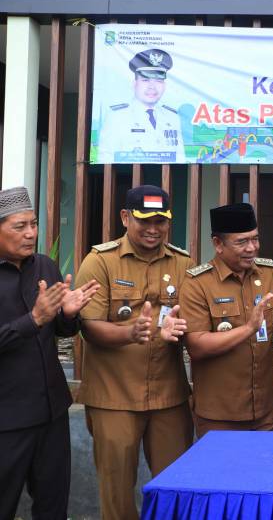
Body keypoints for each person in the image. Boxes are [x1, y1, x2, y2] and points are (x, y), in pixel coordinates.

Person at [74, 185, 194, 520]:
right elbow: (89, 326)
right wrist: (132, 332)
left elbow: (196, 321)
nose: (154, 229)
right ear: (125, 218)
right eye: (145, 220)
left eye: (161, 221)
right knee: (117, 494)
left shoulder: (184, 263)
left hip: (168, 397)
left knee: (176, 490)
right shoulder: (100, 261)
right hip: (114, 397)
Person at [0, 186, 98, 519]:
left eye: (33, 224)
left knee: (53, 505)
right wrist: (33, 320)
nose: (30, 233)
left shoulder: (44, 266)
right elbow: (35, 323)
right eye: (19, 226)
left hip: (51, 413)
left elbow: (61, 331)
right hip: (7, 420)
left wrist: (68, 315)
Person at [171, 203, 273, 437]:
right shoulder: (198, 284)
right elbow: (197, 346)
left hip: (266, 410)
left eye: (255, 239)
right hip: (220, 414)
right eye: (241, 242)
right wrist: (249, 328)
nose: (252, 248)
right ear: (218, 244)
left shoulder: (268, 274)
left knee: (268, 462)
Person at [97, 48, 185, 163]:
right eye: (145, 80)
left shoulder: (173, 117)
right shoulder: (117, 116)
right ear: (134, 84)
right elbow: (105, 156)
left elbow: (180, 157)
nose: (152, 87)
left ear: (164, 85)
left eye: (158, 81)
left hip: (167, 173)